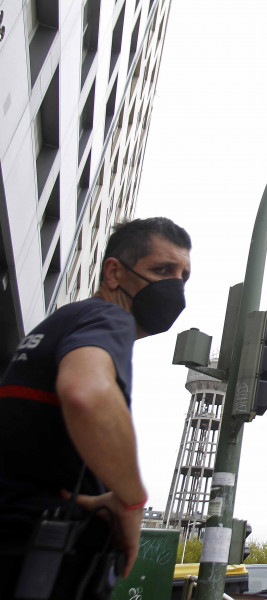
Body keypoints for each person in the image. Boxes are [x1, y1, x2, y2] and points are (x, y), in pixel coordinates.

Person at [0, 217, 191, 599]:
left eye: (184, 276)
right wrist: (131, 500)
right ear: (114, 272)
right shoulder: (108, 317)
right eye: (162, 270)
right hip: (38, 562)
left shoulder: (63, 321)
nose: (175, 287)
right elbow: (85, 393)